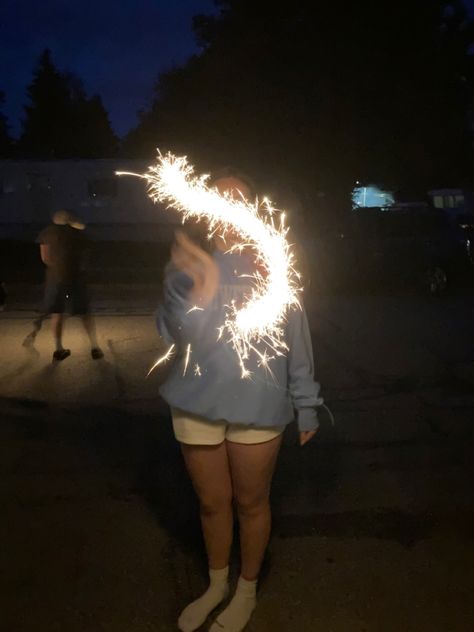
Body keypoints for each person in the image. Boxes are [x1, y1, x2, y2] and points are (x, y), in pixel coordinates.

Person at [156, 172, 323, 632]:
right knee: (212, 504)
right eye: (220, 197)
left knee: (252, 502)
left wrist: (306, 403)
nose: (230, 207)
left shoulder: (277, 264)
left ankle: (245, 591)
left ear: (253, 208)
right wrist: (201, 289)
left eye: (240, 198)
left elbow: (297, 339)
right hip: (195, 403)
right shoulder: (186, 268)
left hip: (259, 403)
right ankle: (215, 585)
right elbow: (174, 334)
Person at [36, 210, 103, 361]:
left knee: (58, 313)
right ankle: (95, 347)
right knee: (85, 313)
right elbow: (86, 258)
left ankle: (59, 349)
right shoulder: (79, 235)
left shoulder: (47, 233)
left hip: (56, 278)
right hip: (77, 277)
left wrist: (58, 268)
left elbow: (45, 258)